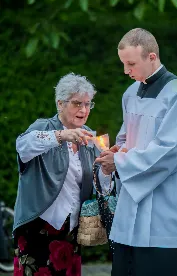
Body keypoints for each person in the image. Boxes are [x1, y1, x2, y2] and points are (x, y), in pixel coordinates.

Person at [95, 28, 177, 276]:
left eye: (130, 64)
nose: (126, 71)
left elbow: (170, 151)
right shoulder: (130, 93)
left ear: (151, 57)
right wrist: (118, 150)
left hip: (167, 205)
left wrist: (121, 161)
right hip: (133, 203)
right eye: (123, 64)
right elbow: (126, 136)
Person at [13, 73, 110, 276]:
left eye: (88, 104)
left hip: (72, 231)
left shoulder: (89, 137)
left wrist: (106, 169)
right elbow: (22, 146)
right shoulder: (44, 128)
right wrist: (61, 135)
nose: (83, 110)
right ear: (60, 103)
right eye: (77, 104)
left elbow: (100, 186)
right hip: (38, 228)